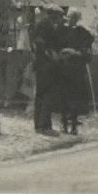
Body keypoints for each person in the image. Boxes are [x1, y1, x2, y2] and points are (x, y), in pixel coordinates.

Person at [58, 9, 95, 134]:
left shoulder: (83, 33)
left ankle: (73, 125)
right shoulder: (60, 31)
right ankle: (63, 123)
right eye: (70, 17)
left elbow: (87, 52)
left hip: (76, 69)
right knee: (63, 97)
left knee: (75, 97)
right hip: (63, 68)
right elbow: (55, 47)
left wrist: (76, 52)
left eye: (74, 17)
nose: (72, 20)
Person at [30, 7, 64, 136]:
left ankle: (38, 125)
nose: (60, 19)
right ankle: (45, 126)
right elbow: (44, 46)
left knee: (40, 95)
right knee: (47, 95)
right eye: (59, 16)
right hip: (47, 66)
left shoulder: (41, 25)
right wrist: (55, 56)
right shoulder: (46, 26)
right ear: (54, 15)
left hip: (40, 65)